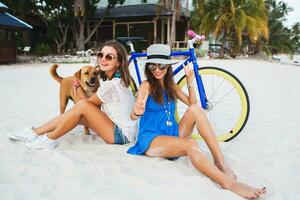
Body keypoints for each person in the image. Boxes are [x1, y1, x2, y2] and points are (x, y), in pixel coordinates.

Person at [127, 44, 266, 199]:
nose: (157, 70)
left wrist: (190, 81)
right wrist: (137, 112)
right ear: (148, 67)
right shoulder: (146, 85)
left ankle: (220, 162)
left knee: (196, 110)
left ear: (168, 66)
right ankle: (227, 183)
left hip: (171, 133)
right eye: (153, 66)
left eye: (162, 65)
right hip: (151, 139)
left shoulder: (170, 84)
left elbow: (192, 104)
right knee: (191, 144)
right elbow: (134, 113)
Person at [7, 40, 137, 149]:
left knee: (81, 106)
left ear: (119, 62)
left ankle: (49, 138)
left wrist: (77, 85)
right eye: (101, 55)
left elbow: (86, 105)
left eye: (109, 57)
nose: (103, 59)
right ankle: (34, 132)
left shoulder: (111, 85)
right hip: (118, 128)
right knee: (78, 115)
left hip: (122, 135)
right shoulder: (115, 79)